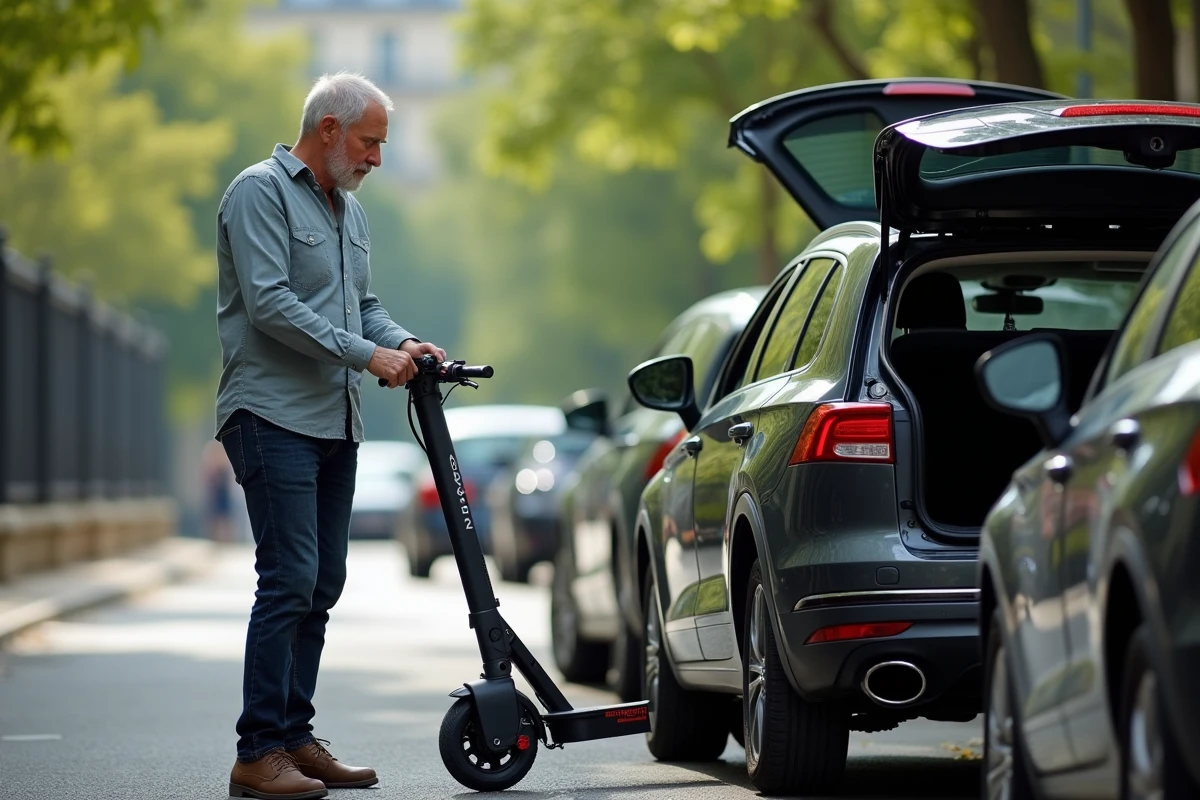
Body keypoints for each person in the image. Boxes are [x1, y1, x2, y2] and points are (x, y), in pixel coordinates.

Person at [214, 71, 444, 800]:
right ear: (328, 131)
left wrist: (404, 342)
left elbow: (362, 305)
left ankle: (294, 738)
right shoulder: (258, 192)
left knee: (321, 582)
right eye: (371, 141)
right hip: (270, 413)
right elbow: (271, 303)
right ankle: (257, 753)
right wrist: (365, 355)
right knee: (287, 579)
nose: (378, 157)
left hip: (332, 418)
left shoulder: (350, 211)